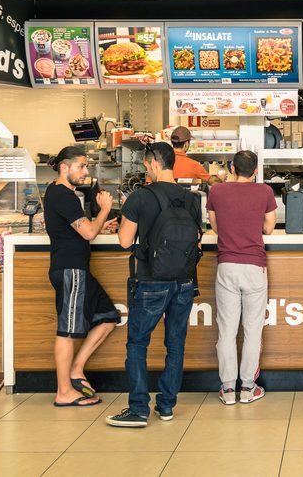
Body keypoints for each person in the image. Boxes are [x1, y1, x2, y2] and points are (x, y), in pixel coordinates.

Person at [106, 142, 203, 428]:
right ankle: (167, 406)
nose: (146, 170)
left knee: (138, 343)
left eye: (147, 166)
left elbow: (125, 241)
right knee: (176, 344)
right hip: (184, 281)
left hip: (150, 281)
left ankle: (138, 409)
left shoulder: (139, 197)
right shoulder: (192, 199)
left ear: (155, 164)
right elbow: (197, 241)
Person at [43, 145, 120, 407]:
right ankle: (64, 391)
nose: (86, 171)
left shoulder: (64, 194)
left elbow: (83, 228)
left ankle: (76, 369)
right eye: (82, 166)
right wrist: (104, 211)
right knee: (66, 332)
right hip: (70, 271)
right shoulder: (62, 195)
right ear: (64, 167)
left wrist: (100, 223)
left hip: (78, 270)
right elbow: (87, 233)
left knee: (109, 317)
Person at [207, 150, 277, 405]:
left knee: (226, 330)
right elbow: (269, 227)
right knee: (252, 330)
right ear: (256, 171)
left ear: (232, 168)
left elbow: (215, 227)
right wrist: (251, 222)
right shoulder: (265, 192)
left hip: (226, 265)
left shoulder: (216, 191)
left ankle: (227, 389)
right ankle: (248, 387)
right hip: (254, 266)